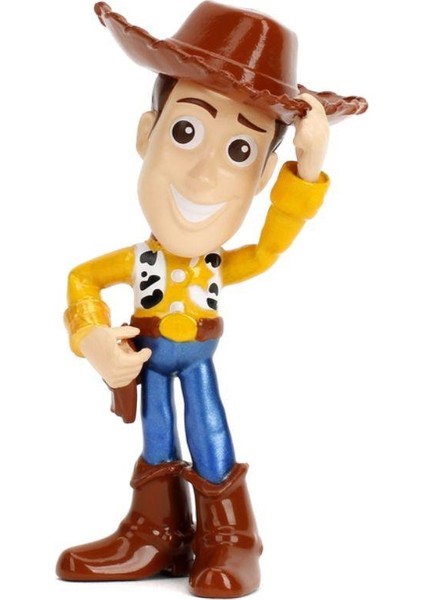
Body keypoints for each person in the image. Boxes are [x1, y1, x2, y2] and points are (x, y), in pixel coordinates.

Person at [56, 2, 367, 597]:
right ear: (147, 135)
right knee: (156, 433)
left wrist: (308, 171)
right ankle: (156, 529)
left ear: (262, 176)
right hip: (148, 359)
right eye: (185, 132)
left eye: (240, 152)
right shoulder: (137, 259)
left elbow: (267, 252)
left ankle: (230, 535)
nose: (202, 177)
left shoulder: (219, 263)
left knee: (207, 429)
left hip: (198, 360)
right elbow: (82, 280)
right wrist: (91, 335)